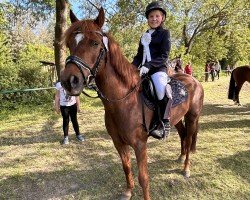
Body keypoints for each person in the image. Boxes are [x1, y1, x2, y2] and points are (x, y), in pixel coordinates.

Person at [132, 1, 171, 139]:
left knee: (161, 90)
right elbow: (138, 56)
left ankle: (164, 123)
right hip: (142, 69)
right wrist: (130, 68)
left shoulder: (165, 33)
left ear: (162, 18)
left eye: (157, 16)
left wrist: (149, 65)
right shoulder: (144, 35)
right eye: (151, 16)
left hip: (158, 68)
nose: (154, 19)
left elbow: (164, 55)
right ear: (148, 19)